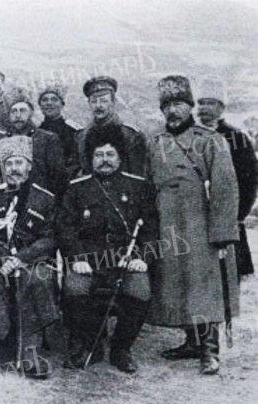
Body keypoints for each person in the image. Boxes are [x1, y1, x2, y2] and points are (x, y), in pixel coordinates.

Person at [148, 75, 239, 375]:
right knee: (178, 282)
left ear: (190, 107)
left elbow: (225, 188)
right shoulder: (155, 141)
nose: (172, 111)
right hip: (167, 221)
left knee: (204, 284)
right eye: (167, 106)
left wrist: (222, 233)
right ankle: (191, 342)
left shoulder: (211, 140)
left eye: (178, 104)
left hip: (199, 222)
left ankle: (210, 350)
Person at [56, 126, 158, 373]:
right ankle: (90, 344)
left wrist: (142, 258)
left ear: (120, 158)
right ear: (91, 159)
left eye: (110, 155)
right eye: (98, 155)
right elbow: (66, 229)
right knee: (75, 287)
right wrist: (77, 258)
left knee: (139, 289)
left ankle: (121, 349)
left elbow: (151, 228)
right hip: (89, 259)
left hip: (126, 258)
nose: (104, 160)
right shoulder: (76, 188)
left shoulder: (139, 186)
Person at [0, 135, 59, 379]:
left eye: (19, 163)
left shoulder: (45, 198)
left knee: (38, 278)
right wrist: (0, 259)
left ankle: (30, 355)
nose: (13, 169)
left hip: (30, 260)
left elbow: (49, 238)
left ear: (29, 166)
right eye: (8, 164)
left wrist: (22, 258)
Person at [196, 77, 258, 282]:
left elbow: (249, 181)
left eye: (210, 103)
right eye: (201, 103)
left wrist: (238, 215)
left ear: (221, 107)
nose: (204, 108)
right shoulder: (190, 136)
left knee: (229, 277)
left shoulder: (236, 137)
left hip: (229, 219)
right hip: (197, 220)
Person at [76, 76, 148, 177]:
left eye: (104, 101)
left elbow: (137, 175)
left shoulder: (131, 136)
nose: (98, 106)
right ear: (89, 104)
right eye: (94, 101)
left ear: (113, 102)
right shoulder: (82, 136)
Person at [2, 88, 67, 198]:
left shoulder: (47, 138)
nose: (18, 115)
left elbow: (58, 176)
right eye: (14, 111)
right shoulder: (1, 140)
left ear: (31, 114)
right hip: (10, 198)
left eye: (22, 111)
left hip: (38, 197)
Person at [37, 80, 82, 180]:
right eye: (44, 100)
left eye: (54, 99)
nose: (49, 103)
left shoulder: (73, 130)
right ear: (40, 106)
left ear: (62, 104)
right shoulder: (36, 132)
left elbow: (78, 160)